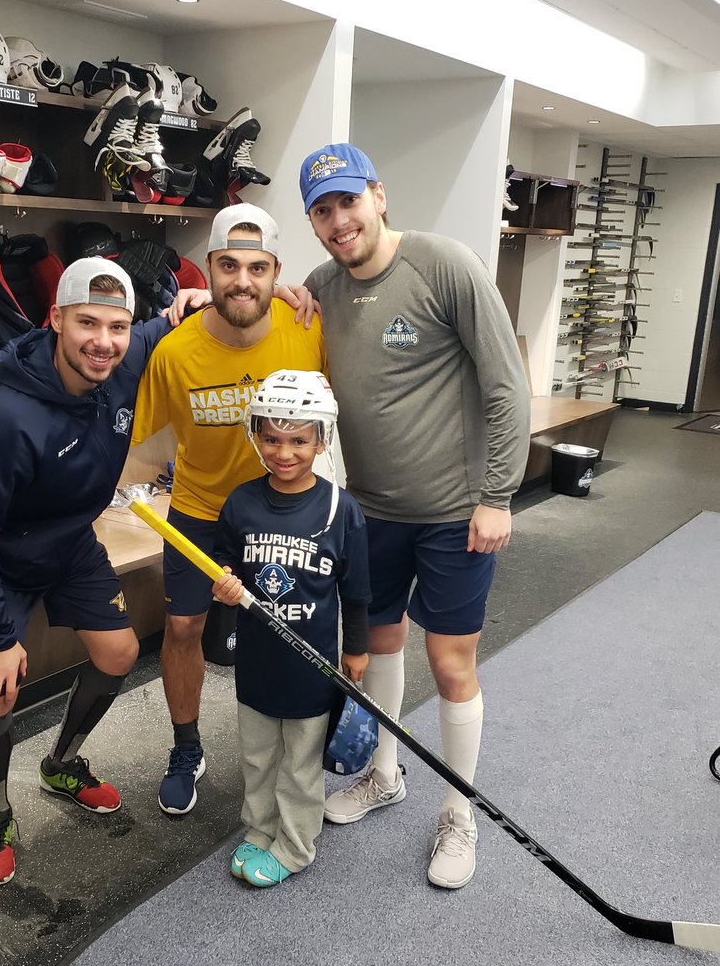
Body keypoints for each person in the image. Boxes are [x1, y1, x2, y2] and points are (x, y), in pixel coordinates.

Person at [298, 143, 531, 889]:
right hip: (371, 512)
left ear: (379, 196)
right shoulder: (319, 288)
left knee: (451, 661)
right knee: (379, 646)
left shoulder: (444, 264)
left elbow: (506, 387)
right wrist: (203, 300)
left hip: (456, 513)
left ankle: (458, 812)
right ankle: (385, 772)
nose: (339, 222)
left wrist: (497, 494)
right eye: (322, 211)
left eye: (348, 202)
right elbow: (263, 319)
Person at [0, 257, 209, 886]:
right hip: (0, 562)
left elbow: (167, 320)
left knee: (118, 653)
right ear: (56, 319)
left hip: (69, 545)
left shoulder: (122, 362)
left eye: (117, 326)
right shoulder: (6, 417)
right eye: (88, 323)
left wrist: (195, 299)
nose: (104, 341)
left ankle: (61, 764)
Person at [130, 204, 325, 817]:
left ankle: (292, 748)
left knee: (283, 629)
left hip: (278, 512)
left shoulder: (306, 332)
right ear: (208, 271)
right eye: (229, 265)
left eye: (258, 267)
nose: (243, 280)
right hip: (200, 509)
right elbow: (140, 443)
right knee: (184, 628)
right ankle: (186, 746)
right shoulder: (175, 350)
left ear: (276, 274)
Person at [210, 370, 370, 886]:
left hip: (312, 666)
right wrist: (225, 583)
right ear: (255, 434)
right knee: (258, 757)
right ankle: (259, 829)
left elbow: (357, 590)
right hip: (257, 663)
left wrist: (358, 649)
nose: (284, 452)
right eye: (272, 439)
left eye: (299, 440)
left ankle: (296, 846)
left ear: (321, 439)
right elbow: (222, 564)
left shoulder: (339, 510)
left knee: (300, 763)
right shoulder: (241, 502)